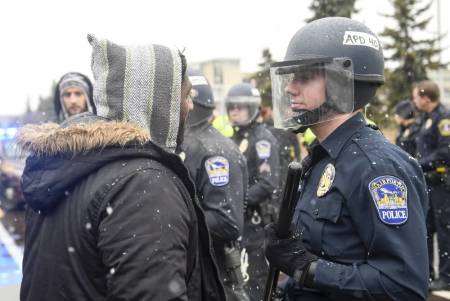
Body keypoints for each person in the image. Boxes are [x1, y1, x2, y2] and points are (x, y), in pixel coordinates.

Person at [18, 34, 226, 300]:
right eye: (186, 95)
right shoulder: (143, 183)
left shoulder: (72, 163)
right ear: (158, 103)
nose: (190, 105)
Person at [264, 17, 429, 301]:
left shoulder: (376, 167)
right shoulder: (324, 158)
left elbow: (404, 285)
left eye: (304, 77)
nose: (290, 88)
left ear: (341, 81)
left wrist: (309, 269)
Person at [182, 69, 250, 301]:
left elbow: (227, 222)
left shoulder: (212, 151)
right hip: (196, 271)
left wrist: (175, 219)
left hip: (214, 276)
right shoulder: (189, 143)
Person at [225, 82, 281, 301]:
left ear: (252, 109)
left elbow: (268, 183)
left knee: (254, 278)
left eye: (240, 107)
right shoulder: (235, 137)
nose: (234, 111)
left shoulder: (262, 139)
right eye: (232, 107)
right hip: (238, 221)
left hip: (255, 222)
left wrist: (236, 202)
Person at [412, 80, 450, 291]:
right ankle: (427, 274)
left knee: (444, 231)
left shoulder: (443, 119)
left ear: (426, 98)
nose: (414, 100)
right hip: (428, 183)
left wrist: (418, 164)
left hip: (442, 185)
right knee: (425, 229)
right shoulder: (426, 119)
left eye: (416, 96)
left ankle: (446, 276)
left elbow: (446, 152)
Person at [261, 105, 301, 183]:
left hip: (285, 160)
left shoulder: (288, 127)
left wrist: (297, 158)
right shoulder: (266, 126)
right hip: (273, 160)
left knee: (284, 182)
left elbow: (296, 145)